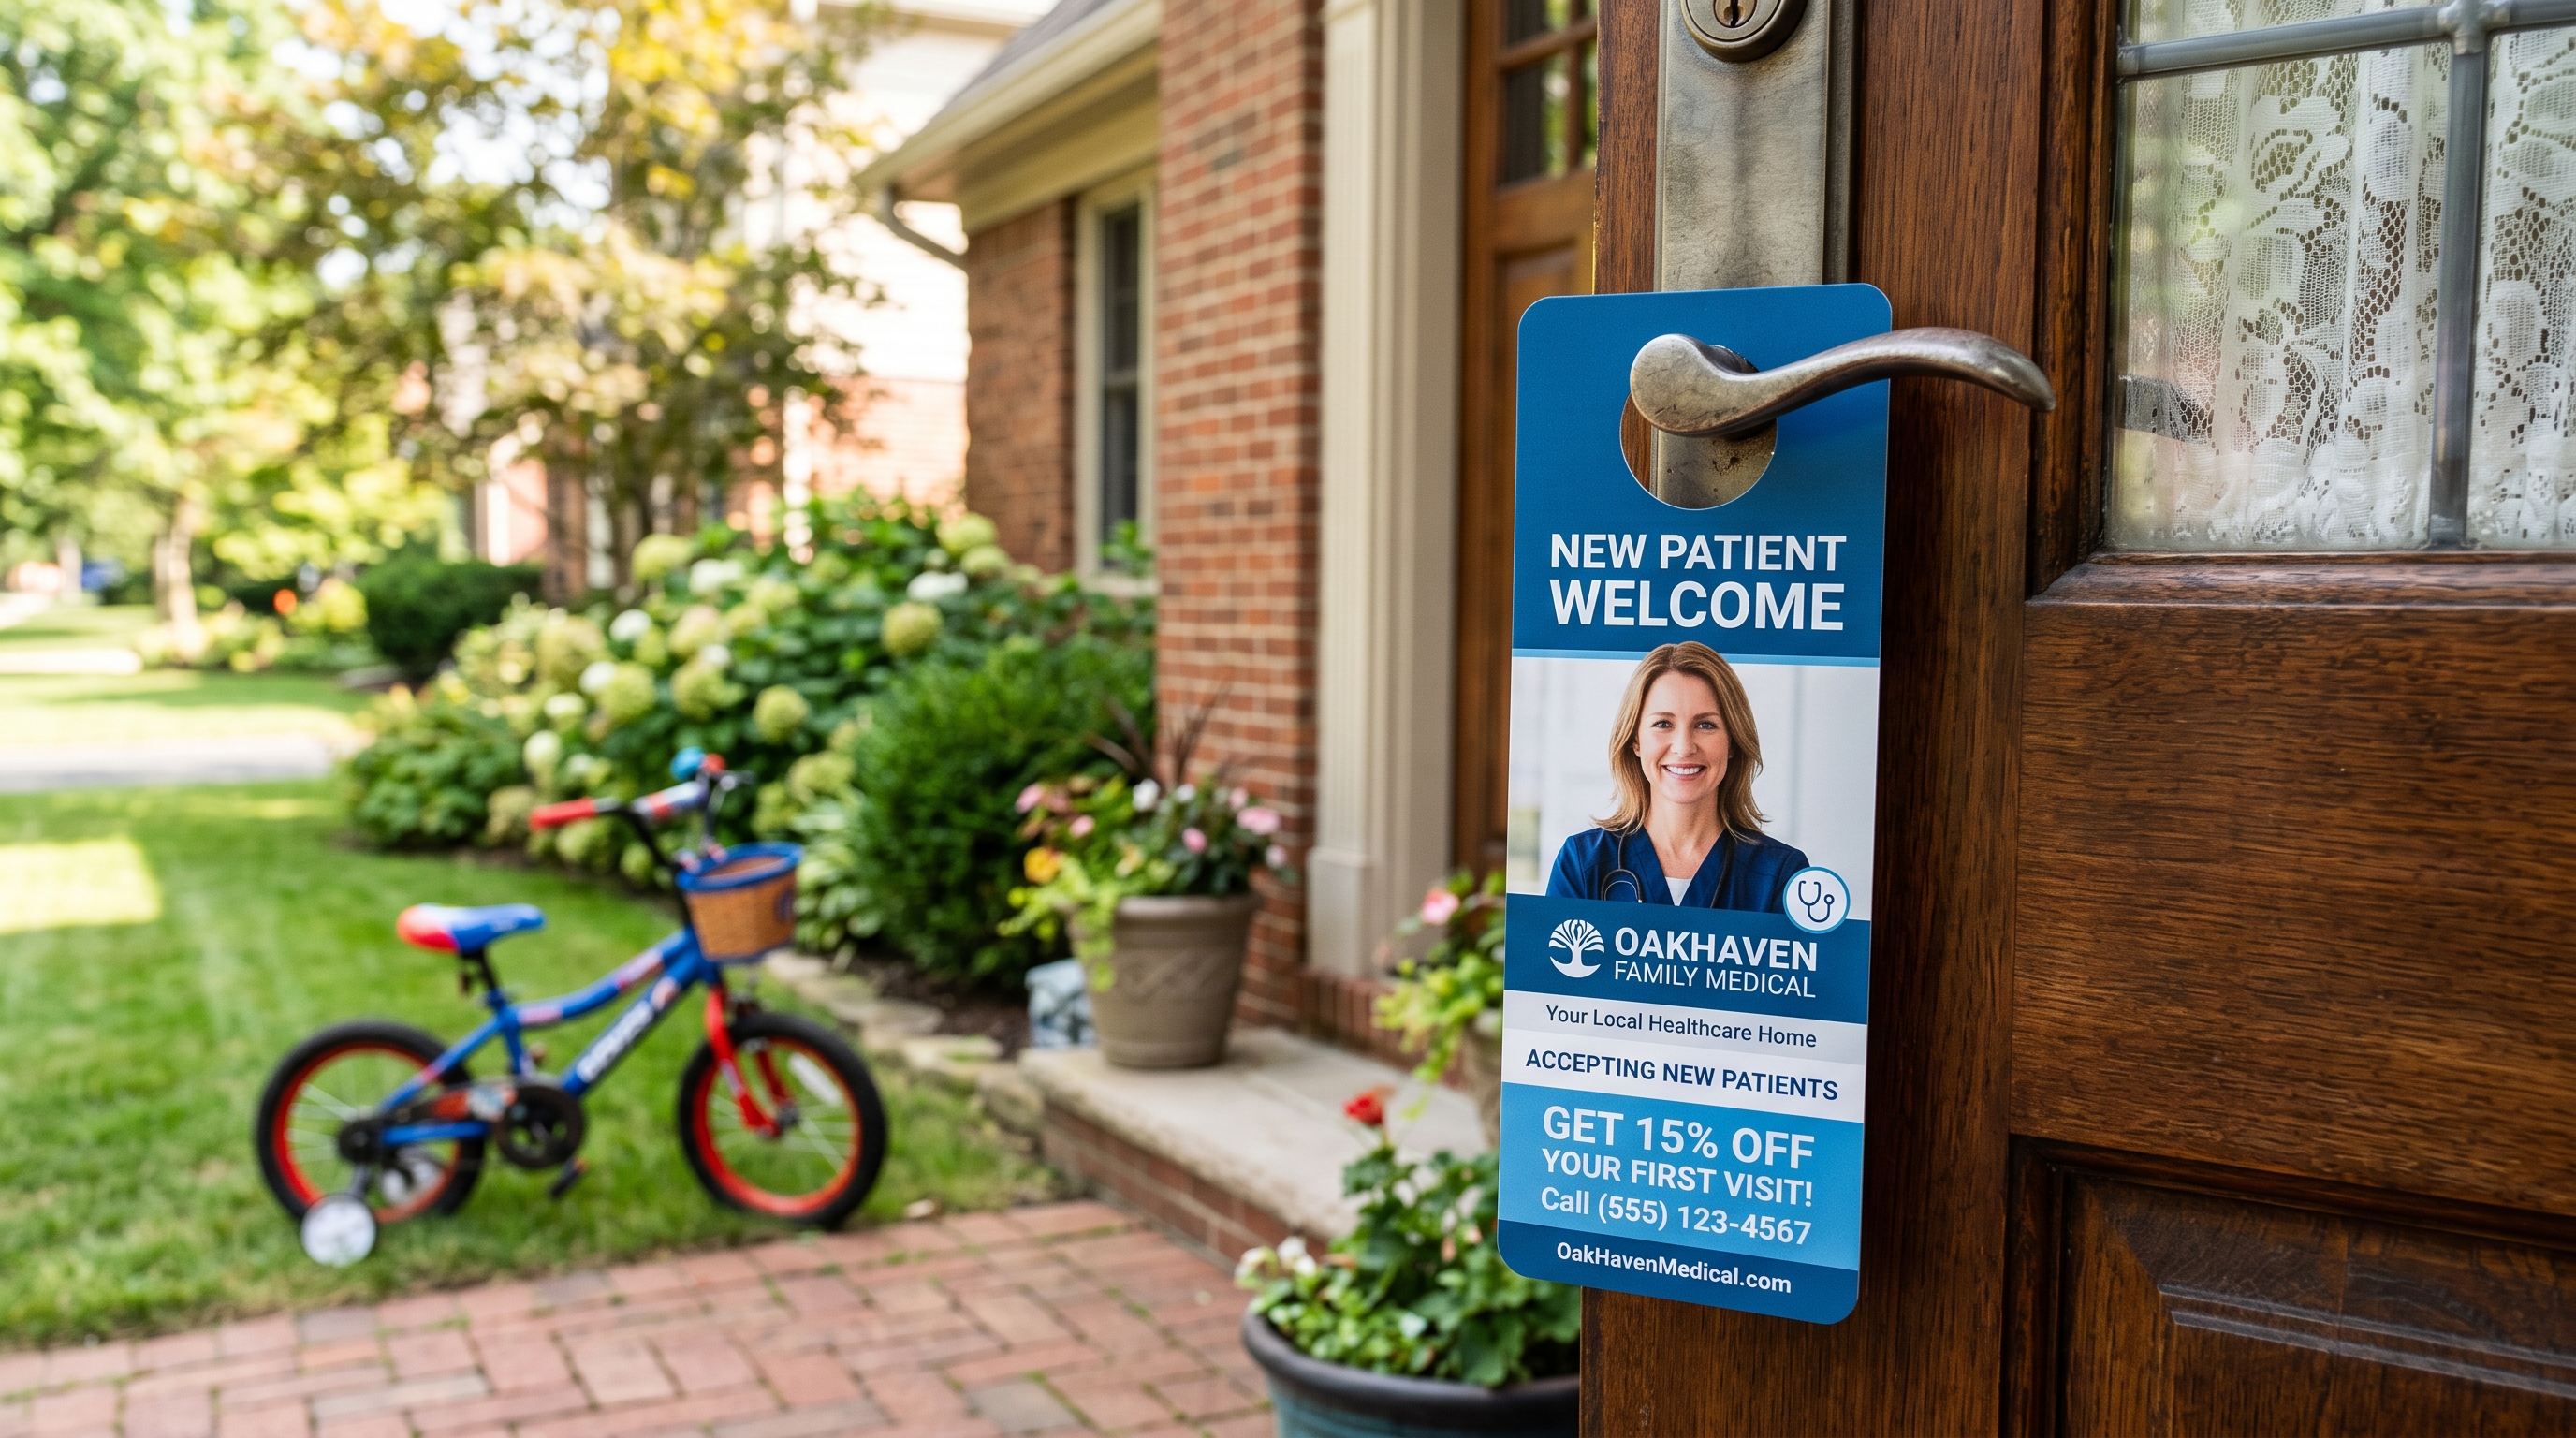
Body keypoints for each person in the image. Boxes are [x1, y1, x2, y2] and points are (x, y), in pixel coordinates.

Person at [1546, 641, 1808, 913]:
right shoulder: (1582, 864)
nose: (1684, 747)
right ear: (1636, 740)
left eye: (1705, 725)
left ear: (1732, 742)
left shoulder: (1782, 877)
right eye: (1663, 724)